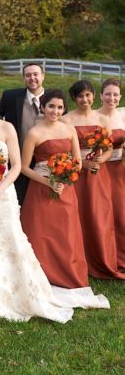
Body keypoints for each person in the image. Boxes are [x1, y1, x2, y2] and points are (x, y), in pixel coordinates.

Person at [20, 89, 110, 308]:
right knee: (40, 234)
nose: (55, 111)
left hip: (67, 189)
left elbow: (78, 161)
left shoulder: (68, 129)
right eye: (51, 106)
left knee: (66, 233)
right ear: (43, 107)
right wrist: (48, 182)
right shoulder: (34, 133)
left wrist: (66, 175)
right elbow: (23, 167)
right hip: (41, 188)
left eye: (60, 107)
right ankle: (41, 276)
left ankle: (68, 275)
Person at [63, 80, 124, 280]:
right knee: (78, 215)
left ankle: (101, 258)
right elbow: (63, 151)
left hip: (99, 174)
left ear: (93, 96)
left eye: (88, 95)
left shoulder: (101, 118)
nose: (85, 99)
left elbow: (108, 148)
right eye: (80, 96)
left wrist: (100, 159)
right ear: (74, 98)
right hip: (76, 174)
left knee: (99, 215)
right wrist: (82, 163)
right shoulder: (67, 120)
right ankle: (80, 260)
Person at [0, 63, 45, 205]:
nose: (32, 78)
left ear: (43, 76)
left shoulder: (54, 98)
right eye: (28, 75)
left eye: (36, 74)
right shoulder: (11, 96)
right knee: (19, 201)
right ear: (24, 78)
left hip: (45, 161)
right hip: (18, 160)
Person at [98, 78, 125, 270]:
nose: (111, 98)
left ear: (120, 97)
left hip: (120, 169)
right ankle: (104, 254)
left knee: (120, 212)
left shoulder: (123, 116)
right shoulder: (94, 116)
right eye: (108, 93)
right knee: (103, 212)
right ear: (101, 95)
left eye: (115, 94)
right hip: (101, 169)